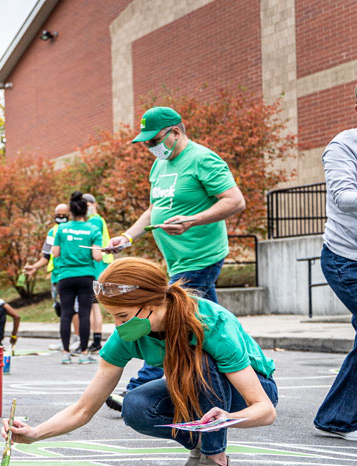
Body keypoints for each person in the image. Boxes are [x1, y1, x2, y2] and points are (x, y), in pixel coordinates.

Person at [3, 258, 278, 466]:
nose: (118, 326)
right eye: (112, 316)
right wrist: (35, 434)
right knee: (135, 405)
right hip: (196, 391)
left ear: (152, 304)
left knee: (200, 360)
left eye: (122, 315)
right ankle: (201, 445)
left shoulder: (210, 323)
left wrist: (227, 419)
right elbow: (84, 408)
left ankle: (216, 461)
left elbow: (265, 411)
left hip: (246, 394)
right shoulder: (127, 335)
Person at [103, 107, 246, 406]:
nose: (149, 147)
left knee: (163, 317)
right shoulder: (160, 165)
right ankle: (245, 378)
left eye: (153, 140)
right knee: (211, 325)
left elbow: (235, 201)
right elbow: (155, 208)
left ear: (176, 132)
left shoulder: (203, 159)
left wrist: (193, 220)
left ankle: (138, 388)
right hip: (177, 259)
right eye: (145, 143)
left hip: (201, 256)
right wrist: (127, 237)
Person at [312, 71, 357, 443]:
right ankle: (338, 418)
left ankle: (337, 419)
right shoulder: (343, 146)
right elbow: (342, 198)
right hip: (348, 260)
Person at [51, 192, 103, 363]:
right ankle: (84, 353)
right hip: (86, 276)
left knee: (66, 313)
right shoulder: (93, 229)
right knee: (84, 313)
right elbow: (97, 257)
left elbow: (55, 253)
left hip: (65, 276)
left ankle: (66, 353)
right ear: (85, 212)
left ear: (71, 212)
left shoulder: (61, 229)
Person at [24, 203, 80, 345]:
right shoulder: (52, 232)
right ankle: (65, 340)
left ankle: (78, 338)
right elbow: (46, 256)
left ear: (70, 215)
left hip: (71, 274)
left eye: (64, 215)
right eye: (58, 215)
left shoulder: (76, 229)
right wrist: (34, 267)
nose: (61, 217)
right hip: (56, 276)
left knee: (73, 309)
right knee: (61, 308)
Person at [84, 193, 112, 351]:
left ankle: (95, 340)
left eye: (89, 206)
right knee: (94, 305)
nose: (87, 209)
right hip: (101, 265)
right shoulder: (98, 219)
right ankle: (95, 339)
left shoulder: (93, 220)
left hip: (97, 267)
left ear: (94, 205)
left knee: (93, 306)